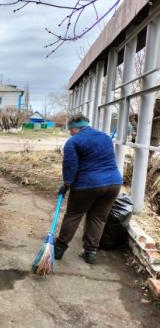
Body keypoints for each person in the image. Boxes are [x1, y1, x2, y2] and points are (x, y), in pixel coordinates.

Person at [55, 113, 122, 264]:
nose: (70, 133)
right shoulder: (105, 137)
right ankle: (90, 252)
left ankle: (59, 249)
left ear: (75, 128)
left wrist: (66, 184)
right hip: (113, 183)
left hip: (87, 185)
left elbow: (70, 166)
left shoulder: (73, 142)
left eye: (70, 130)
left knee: (73, 215)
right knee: (98, 218)